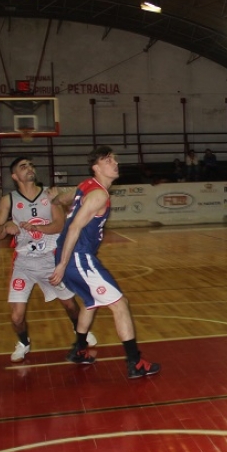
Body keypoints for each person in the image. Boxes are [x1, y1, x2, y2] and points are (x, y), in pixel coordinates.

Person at [51, 146, 160, 379]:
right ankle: (135, 362)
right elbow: (74, 227)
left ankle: (79, 350)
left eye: (114, 159)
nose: (115, 163)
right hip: (77, 257)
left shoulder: (85, 186)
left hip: (69, 255)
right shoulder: (99, 194)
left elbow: (63, 198)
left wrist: (55, 198)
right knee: (120, 304)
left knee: (90, 303)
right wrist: (62, 264)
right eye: (108, 160)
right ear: (96, 167)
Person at [0, 157, 96, 363]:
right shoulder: (8, 200)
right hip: (24, 263)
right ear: (14, 176)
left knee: (70, 305)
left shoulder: (49, 194)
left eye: (31, 165)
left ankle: (80, 333)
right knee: (16, 316)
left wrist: (37, 228)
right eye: (23, 167)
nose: (29, 168)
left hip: (50, 259)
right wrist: (5, 227)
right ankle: (23, 342)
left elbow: (59, 225)